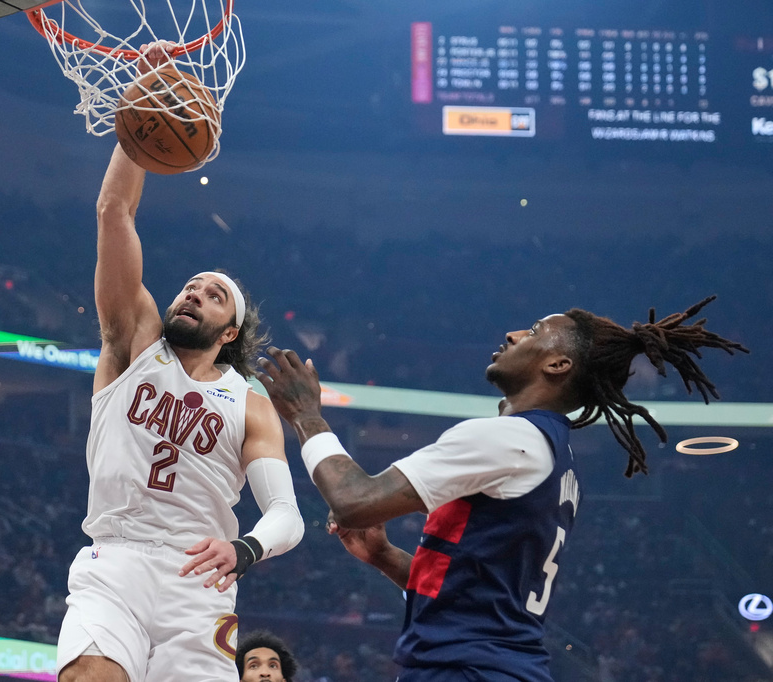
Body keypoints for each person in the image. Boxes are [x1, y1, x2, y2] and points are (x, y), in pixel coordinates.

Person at [257, 297, 746, 681]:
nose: (513, 333)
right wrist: (385, 557)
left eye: (533, 332)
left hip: (468, 670)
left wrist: (306, 415)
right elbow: (478, 594)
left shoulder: (511, 439)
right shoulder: (556, 458)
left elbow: (355, 500)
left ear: (557, 365)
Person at [56, 45, 305, 682]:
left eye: (213, 293)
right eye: (190, 286)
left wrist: (244, 548)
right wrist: (144, 97)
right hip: (114, 561)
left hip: (200, 582)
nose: (193, 293)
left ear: (231, 332)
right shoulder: (132, 341)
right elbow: (115, 212)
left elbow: (285, 515)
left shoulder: (248, 401)